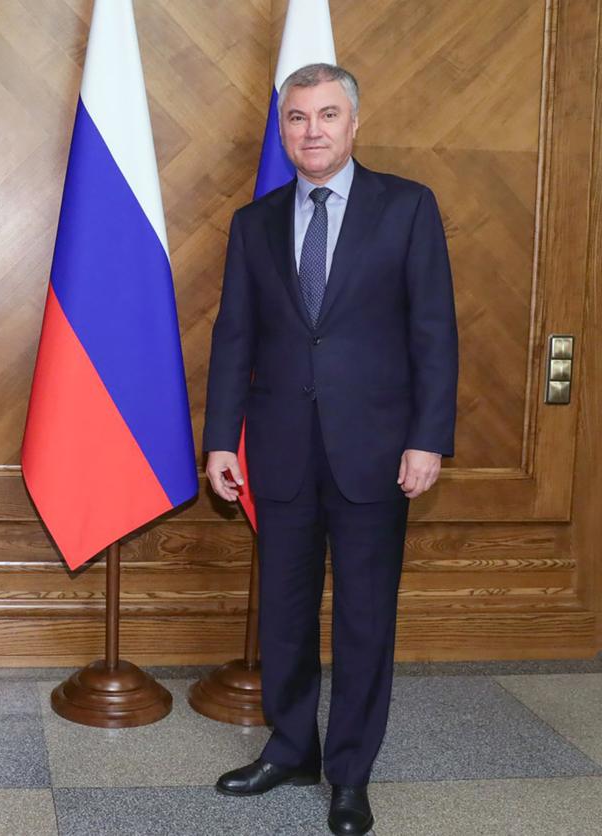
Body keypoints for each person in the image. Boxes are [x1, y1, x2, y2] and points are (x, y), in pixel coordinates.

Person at [203, 63, 457, 836]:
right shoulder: (254, 223)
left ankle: (350, 772)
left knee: (363, 618)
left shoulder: (407, 207)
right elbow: (234, 337)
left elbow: (434, 332)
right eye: (297, 117)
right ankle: (290, 749)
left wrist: (428, 439)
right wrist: (219, 440)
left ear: (354, 122)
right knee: (283, 613)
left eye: (327, 115)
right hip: (279, 449)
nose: (311, 130)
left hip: (375, 452)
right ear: (282, 130)